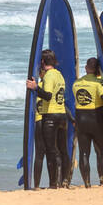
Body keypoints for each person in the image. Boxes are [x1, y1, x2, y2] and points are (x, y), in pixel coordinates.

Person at [72, 57, 103, 188]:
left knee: (84, 152)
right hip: (96, 121)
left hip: (81, 121)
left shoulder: (76, 83)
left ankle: (87, 183)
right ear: (98, 70)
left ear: (86, 68)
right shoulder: (98, 84)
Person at [26, 49, 71, 189]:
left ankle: (53, 184)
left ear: (43, 62)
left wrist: (34, 87)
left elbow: (48, 95)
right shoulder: (60, 75)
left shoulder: (49, 75)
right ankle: (64, 181)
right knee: (63, 150)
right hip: (62, 116)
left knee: (51, 151)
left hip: (50, 116)